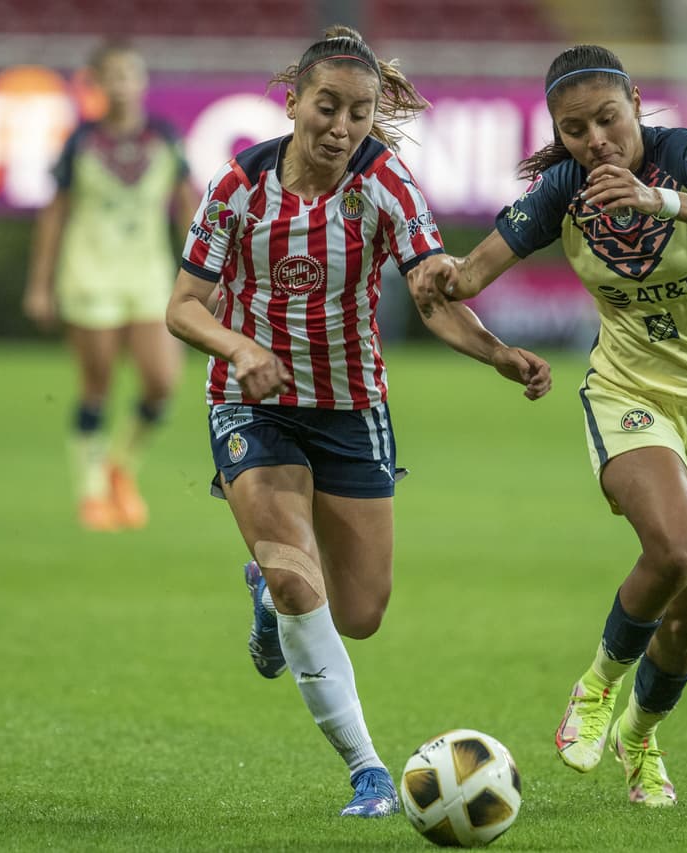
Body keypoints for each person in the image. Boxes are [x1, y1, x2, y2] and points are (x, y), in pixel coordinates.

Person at [165, 26, 552, 818]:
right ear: (293, 102)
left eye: (359, 112)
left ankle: (269, 601)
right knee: (296, 577)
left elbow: (432, 297)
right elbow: (182, 307)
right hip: (252, 404)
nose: (341, 127)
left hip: (350, 408)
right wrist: (240, 347)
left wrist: (498, 353)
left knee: (360, 613)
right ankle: (369, 772)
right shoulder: (238, 185)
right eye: (327, 107)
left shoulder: (386, 183)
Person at [411, 44, 687, 807]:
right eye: (574, 130)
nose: (595, 140)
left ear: (635, 103)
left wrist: (657, 200)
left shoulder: (683, 154)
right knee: (675, 547)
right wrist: (445, 273)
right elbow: (469, 276)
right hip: (630, 389)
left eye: (607, 119)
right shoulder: (563, 191)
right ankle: (597, 687)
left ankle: (639, 736)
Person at [24, 40, 201, 531]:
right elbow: (54, 214)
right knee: (96, 383)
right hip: (90, 274)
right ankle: (91, 493)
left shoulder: (164, 138)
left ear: (142, 82)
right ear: (97, 84)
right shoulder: (80, 142)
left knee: (162, 382)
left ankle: (120, 465)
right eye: (113, 76)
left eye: (130, 74)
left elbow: (188, 203)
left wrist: (203, 271)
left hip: (148, 276)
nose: (122, 85)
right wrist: (40, 284)